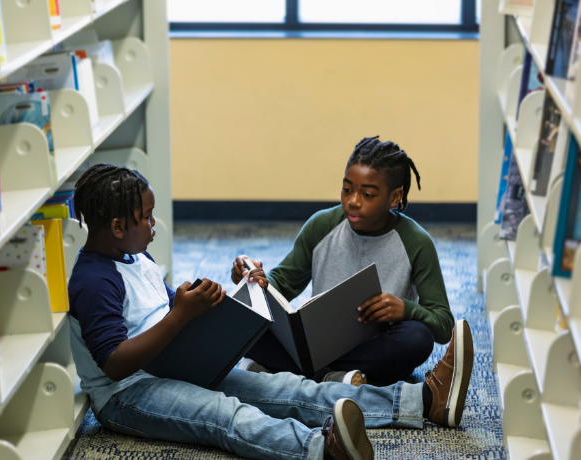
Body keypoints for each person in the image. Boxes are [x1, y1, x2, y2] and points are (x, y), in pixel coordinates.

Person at [67, 163, 474, 460]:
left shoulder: (135, 256)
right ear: (118, 227)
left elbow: (160, 306)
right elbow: (115, 364)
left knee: (288, 389)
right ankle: (320, 449)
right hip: (128, 394)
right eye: (146, 218)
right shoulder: (93, 281)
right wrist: (180, 316)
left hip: (173, 364)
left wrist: (198, 301)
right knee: (225, 415)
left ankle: (422, 400)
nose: (155, 224)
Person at [232, 136, 455, 386]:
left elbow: (443, 325)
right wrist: (256, 279)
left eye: (368, 194)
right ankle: (334, 378)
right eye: (347, 189)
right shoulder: (321, 225)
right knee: (238, 317)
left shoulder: (416, 241)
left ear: (395, 197)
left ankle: (299, 372)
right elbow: (282, 282)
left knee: (417, 338)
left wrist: (406, 309)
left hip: (374, 349)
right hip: (317, 342)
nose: (353, 201)